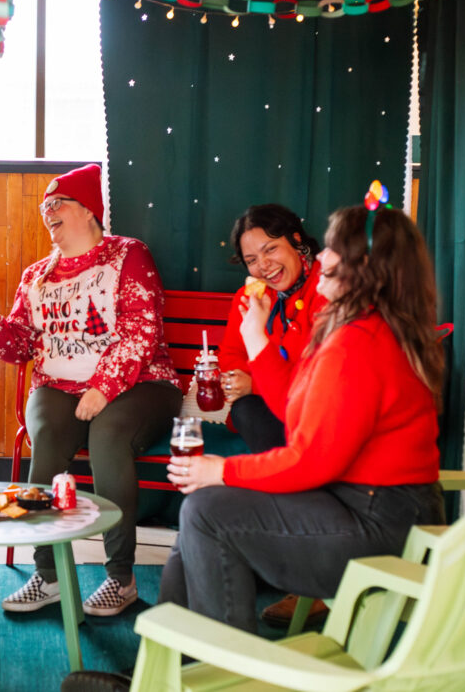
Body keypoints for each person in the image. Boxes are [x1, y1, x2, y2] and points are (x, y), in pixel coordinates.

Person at [159, 202, 446, 634]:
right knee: (203, 509)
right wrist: (256, 338)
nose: (323, 257)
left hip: (378, 524)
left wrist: (222, 469)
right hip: (367, 504)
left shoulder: (358, 342)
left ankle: (216, 669)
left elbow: (310, 459)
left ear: (368, 267)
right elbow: (296, 409)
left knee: (205, 513)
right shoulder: (363, 326)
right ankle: (165, 662)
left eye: (335, 249)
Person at [0, 164, 181, 617]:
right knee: (47, 442)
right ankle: (49, 575)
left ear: (88, 210)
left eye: (56, 203)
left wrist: (104, 387)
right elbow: (21, 344)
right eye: (44, 206)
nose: (47, 212)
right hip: (58, 384)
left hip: (141, 382)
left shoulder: (128, 254)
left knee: (109, 436)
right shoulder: (36, 275)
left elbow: (141, 330)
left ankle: (121, 578)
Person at [218, 204, 327, 454]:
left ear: (296, 241)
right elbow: (230, 356)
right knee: (244, 408)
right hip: (268, 412)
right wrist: (239, 382)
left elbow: (316, 376)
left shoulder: (327, 287)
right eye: (252, 260)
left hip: (317, 414)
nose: (264, 265)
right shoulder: (248, 297)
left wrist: (253, 383)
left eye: (271, 249)